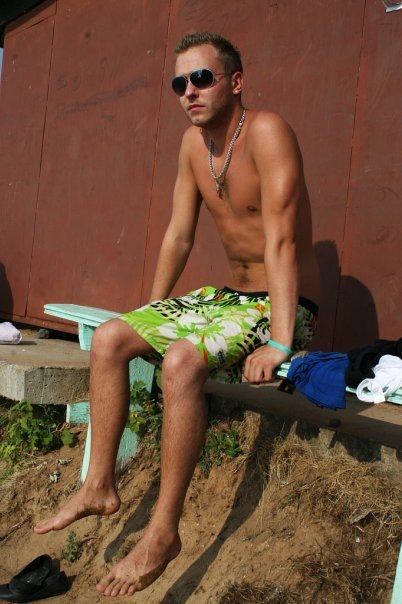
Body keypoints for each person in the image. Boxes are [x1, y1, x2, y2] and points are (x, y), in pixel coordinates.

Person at [34, 32, 320, 597]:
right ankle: (98, 485)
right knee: (111, 336)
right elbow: (178, 235)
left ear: (235, 82)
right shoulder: (194, 146)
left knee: (182, 361)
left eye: (202, 79)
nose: (189, 91)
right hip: (227, 300)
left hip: (281, 306)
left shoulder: (268, 132)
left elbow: (282, 242)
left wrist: (282, 342)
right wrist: (149, 315)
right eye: (179, 83)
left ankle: (164, 532)